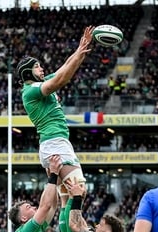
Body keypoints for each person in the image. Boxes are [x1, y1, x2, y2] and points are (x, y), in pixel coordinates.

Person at [16, 26, 95, 194]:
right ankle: (74, 222)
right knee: (79, 191)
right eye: (37, 66)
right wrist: (80, 51)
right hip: (55, 143)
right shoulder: (31, 91)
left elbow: (65, 68)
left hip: (54, 143)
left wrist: (81, 50)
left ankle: (66, 222)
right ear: (27, 73)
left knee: (67, 196)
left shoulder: (40, 83)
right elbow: (60, 80)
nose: (42, 69)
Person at [8, 155, 63, 232]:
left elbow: (53, 205)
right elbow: (45, 207)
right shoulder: (25, 230)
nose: (34, 207)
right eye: (28, 207)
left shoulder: (37, 228)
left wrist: (52, 179)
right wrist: (53, 175)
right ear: (24, 218)